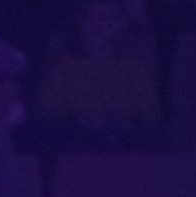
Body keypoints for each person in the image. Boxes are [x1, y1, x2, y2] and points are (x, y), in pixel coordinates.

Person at [37, 0, 160, 150]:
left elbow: (151, 122)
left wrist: (122, 124)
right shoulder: (63, 69)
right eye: (89, 18)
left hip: (126, 155)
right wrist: (79, 123)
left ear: (121, 25)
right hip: (75, 154)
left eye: (105, 20)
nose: (95, 27)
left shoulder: (135, 71)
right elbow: (47, 119)